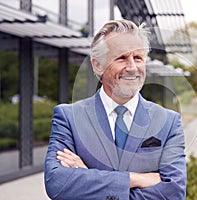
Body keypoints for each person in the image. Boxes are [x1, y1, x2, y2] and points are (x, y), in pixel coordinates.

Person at [44, 19, 186, 200]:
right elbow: (57, 184)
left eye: (138, 58)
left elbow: (174, 193)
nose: (132, 68)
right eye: (121, 58)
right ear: (98, 65)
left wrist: (89, 178)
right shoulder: (69, 118)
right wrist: (135, 179)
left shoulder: (169, 122)